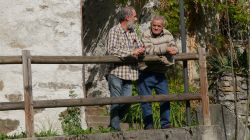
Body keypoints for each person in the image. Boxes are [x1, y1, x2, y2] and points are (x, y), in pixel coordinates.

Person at [106, 6, 145, 131]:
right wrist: (131, 52)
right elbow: (111, 50)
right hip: (116, 72)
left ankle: (113, 122)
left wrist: (141, 50)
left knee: (127, 102)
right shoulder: (114, 31)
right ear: (127, 18)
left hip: (130, 73)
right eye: (134, 16)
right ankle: (115, 129)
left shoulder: (133, 31)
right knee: (116, 101)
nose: (136, 18)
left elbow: (140, 46)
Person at [138, 15, 178, 129]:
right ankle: (149, 126)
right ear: (151, 25)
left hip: (160, 72)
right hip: (146, 71)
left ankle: (165, 124)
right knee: (146, 100)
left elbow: (174, 47)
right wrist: (165, 49)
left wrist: (174, 49)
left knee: (164, 98)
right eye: (154, 25)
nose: (156, 28)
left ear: (162, 27)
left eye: (158, 26)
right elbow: (149, 50)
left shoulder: (168, 34)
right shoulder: (146, 34)